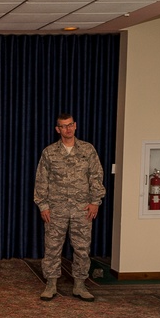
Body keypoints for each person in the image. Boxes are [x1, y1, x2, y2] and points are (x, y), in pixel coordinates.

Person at [34, 113, 106, 302]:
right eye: (63, 126)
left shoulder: (87, 150)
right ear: (58, 129)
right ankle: (51, 284)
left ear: (75, 126)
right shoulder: (49, 152)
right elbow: (42, 180)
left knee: (82, 248)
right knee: (52, 247)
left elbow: (96, 176)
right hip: (56, 209)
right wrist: (43, 205)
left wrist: (95, 201)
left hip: (82, 208)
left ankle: (80, 284)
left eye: (70, 125)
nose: (68, 129)